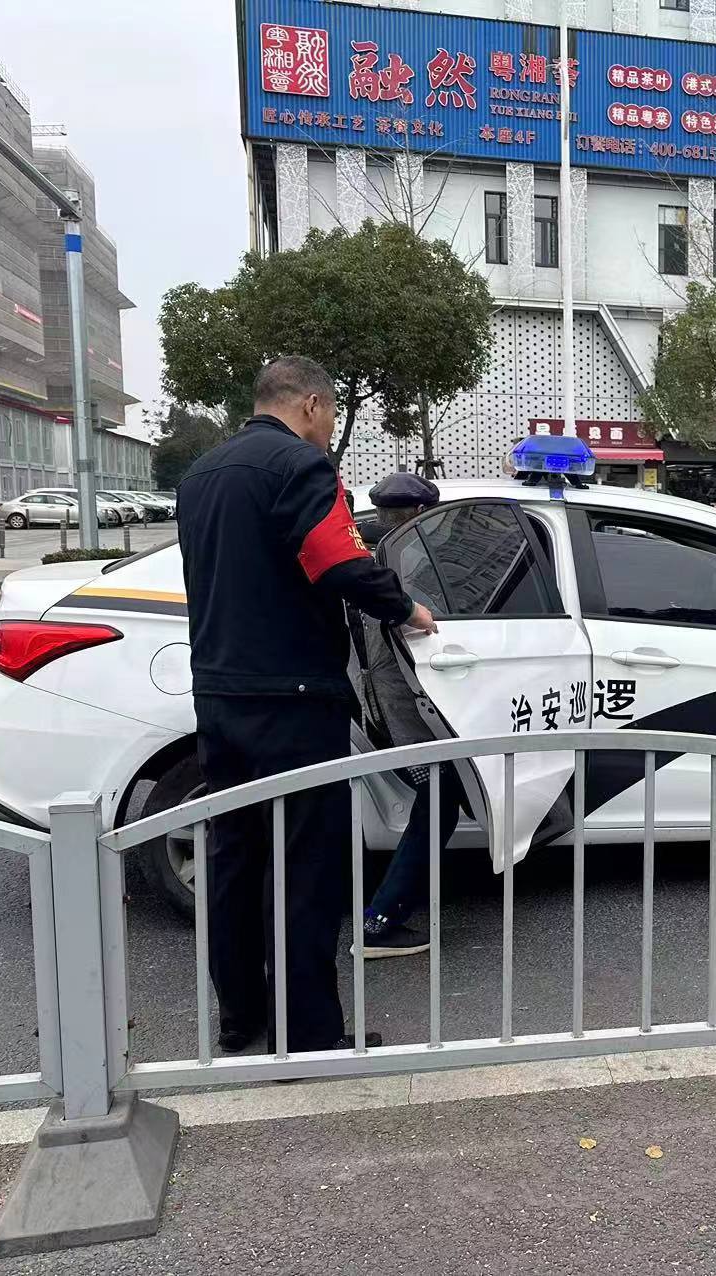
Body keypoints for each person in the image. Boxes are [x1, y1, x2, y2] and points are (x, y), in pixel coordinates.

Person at [178, 355, 437, 1055]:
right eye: (328, 418)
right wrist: (406, 607)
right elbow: (339, 561)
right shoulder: (301, 467)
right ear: (312, 405)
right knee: (305, 869)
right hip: (293, 700)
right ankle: (309, 1035)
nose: (326, 433)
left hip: (220, 695)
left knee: (234, 861)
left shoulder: (201, 475)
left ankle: (241, 1022)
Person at [351, 470, 467, 959]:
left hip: (382, 702)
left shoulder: (368, 553)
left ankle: (384, 912)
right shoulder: (409, 563)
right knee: (439, 798)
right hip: (408, 709)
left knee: (440, 798)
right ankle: (380, 921)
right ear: (420, 515)